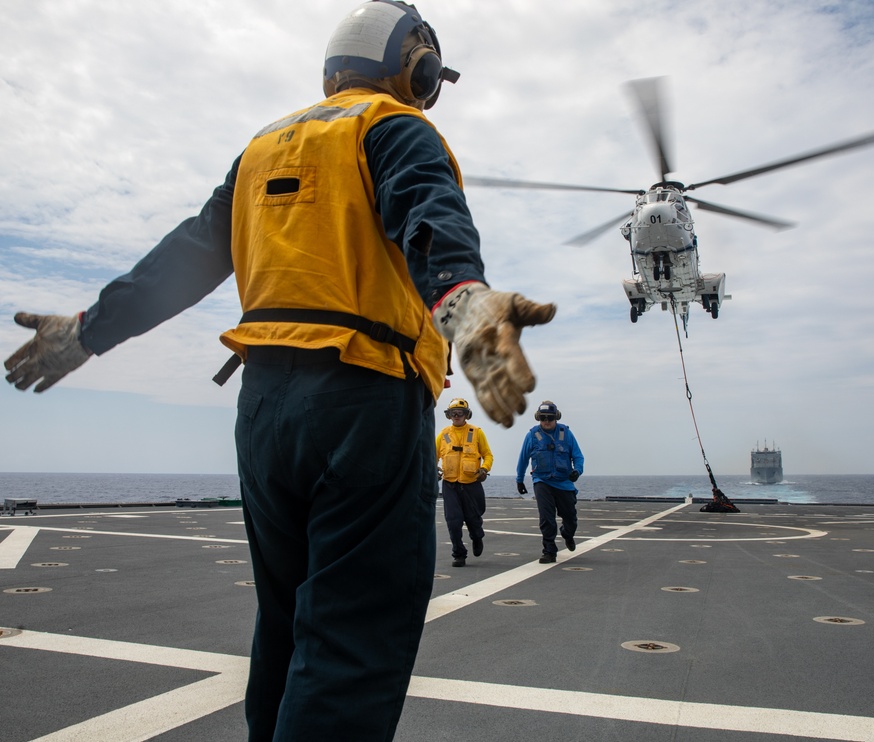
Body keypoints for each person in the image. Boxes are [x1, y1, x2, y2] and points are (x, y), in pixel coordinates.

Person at [3, 2, 556, 739]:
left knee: (286, 627)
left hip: (264, 412)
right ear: (414, 63)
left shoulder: (261, 148)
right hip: (364, 398)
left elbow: (183, 261)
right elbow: (430, 219)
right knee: (353, 639)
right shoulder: (394, 126)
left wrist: (84, 335)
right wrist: (468, 313)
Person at [515, 400, 584, 564]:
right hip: (542, 481)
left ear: (556, 418)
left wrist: (577, 471)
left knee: (570, 518)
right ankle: (549, 550)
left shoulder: (565, 433)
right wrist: (519, 480)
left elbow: (578, 456)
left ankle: (567, 534)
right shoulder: (532, 436)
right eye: (543, 417)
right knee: (546, 517)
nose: (546, 421)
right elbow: (523, 459)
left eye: (550, 418)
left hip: (564, 482)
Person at [436, 397, 492, 567]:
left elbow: (488, 455)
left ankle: (477, 537)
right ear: (449, 415)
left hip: (471, 484)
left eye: (460, 413)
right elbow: (432, 455)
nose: (457, 416)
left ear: (467, 415)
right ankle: (459, 554)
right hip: (450, 484)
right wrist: (433, 469)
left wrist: (484, 469)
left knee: (473, 519)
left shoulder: (476, 433)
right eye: (453, 413)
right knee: (453, 521)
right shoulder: (443, 435)